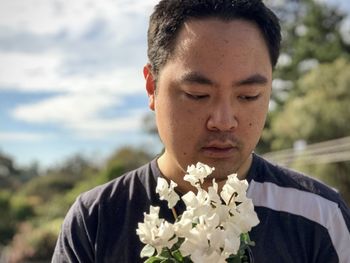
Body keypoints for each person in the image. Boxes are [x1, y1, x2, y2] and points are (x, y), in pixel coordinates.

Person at [52, 0, 350, 262]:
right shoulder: (97, 219)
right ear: (151, 86)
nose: (223, 121)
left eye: (248, 96)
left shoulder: (320, 216)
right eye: (197, 94)